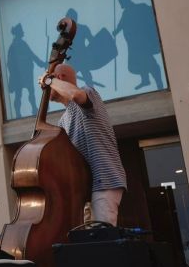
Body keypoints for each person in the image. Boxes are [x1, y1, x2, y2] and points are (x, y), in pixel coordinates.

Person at [42, 63, 127, 225]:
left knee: (102, 240)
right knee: (88, 243)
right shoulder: (63, 120)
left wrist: (48, 81)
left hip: (104, 180)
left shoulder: (88, 92)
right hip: (85, 187)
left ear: (59, 78)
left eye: (52, 81)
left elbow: (76, 95)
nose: (45, 90)